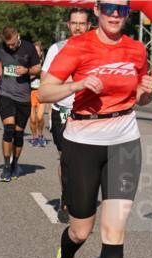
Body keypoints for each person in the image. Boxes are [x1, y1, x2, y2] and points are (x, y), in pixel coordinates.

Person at [40, 0, 152, 258]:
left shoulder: (137, 49)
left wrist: (147, 94)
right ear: (96, 9)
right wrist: (77, 87)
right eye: (109, 7)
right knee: (80, 230)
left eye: (122, 8)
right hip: (82, 141)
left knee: (114, 230)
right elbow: (46, 91)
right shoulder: (78, 46)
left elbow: (140, 97)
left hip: (124, 141)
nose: (115, 13)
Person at [42, 7, 92, 223]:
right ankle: (66, 198)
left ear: (89, 25)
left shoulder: (97, 49)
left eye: (82, 23)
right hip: (63, 111)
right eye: (74, 23)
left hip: (89, 113)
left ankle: (83, 200)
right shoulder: (57, 48)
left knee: (87, 161)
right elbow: (45, 79)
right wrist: (73, 84)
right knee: (67, 159)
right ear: (69, 25)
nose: (78, 27)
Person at [0, 26, 41, 181]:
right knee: (9, 129)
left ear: (18, 36)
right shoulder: (0, 47)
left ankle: (14, 164)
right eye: (8, 44)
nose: (10, 47)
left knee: (18, 135)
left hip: (24, 97)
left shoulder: (28, 48)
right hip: (5, 94)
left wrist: (27, 71)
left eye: (12, 44)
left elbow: (38, 68)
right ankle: (6, 167)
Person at [29, 41, 48, 146]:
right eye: (34, 51)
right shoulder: (28, 63)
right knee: (32, 119)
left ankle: (40, 135)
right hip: (30, 92)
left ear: (41, 52)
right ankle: (34, 137)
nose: (36, 53)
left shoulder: (45, 64)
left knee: (40, 117)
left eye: (38, 51)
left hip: (41, 92)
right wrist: (34, 73)